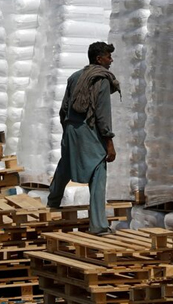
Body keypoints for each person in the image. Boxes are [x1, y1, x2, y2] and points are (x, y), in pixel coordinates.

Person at [47, 42, 121, 235]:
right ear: (99, 59)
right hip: (89, 129)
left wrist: (69, 130)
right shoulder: (101, 80)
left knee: (66, 164)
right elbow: (103, 115)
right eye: (108, 57)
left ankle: (53, 203)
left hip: (72, 128)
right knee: (98, 170)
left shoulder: (74, 77)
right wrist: (109, 142)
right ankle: (98, 225)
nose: (111, 60)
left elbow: (63, 109)